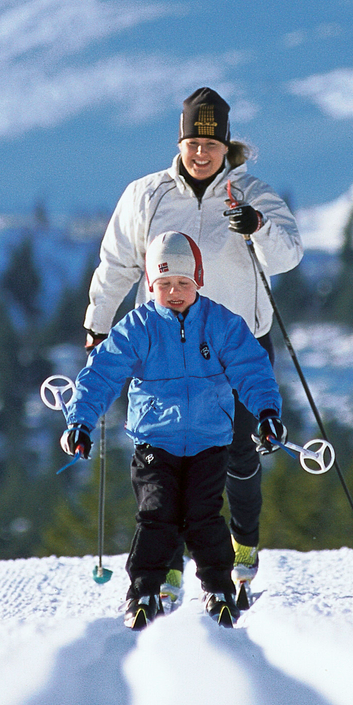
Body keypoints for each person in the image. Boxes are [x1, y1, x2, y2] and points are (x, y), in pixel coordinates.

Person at [84, 86, 302, 606]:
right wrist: (97, 325)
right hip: (164, 347)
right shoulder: (146, 195)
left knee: (239, 457)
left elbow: (289, 255)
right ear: (179, 141)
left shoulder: (251, 192)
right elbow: (118, 265)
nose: (201, 153)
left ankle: (243, 541)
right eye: (191, 141)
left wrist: (258, 226)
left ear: (227, 145)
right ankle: (173, 567)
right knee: (174, 458)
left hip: (239, 344)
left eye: (211, 143)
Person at [62, 231, 284, 628]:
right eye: (164, 284)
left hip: (209, 441)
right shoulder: (139, 326)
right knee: (157, 513)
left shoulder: (219, 323)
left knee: (204, 516)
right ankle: (143, 589)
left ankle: (218, 588)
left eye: (183, 282)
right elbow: (102, 373)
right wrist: (80, 421)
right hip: (155, 441)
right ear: (151, 286)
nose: (175, 292)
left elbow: (251, 369)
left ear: (198, 280)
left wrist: (267, 412)